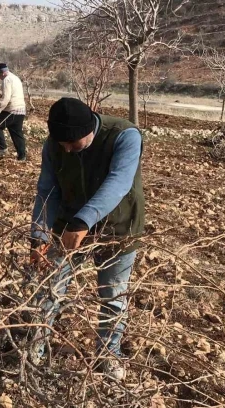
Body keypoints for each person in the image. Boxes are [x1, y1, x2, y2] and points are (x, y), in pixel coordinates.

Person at [30, 98, 145, 380]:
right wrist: (39, 235)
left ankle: (108, 355)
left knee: (113, 296)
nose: (67, 149)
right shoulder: (55, 145)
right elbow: (47, 189)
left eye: (73, 143)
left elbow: (119, 182)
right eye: (62, 144)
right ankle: (35, 347)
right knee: (50, 288)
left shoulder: (125, 137)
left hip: (117, 228)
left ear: (89, 131)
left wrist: (84, 220)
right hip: (68, 225)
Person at [0, 63, 27, 161]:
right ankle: (22, 156)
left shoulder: (6, 80)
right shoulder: (15, 78)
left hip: (12, 109)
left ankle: (3, 149)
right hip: (21, 110)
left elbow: (6, 98)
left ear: (1, 73)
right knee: (16, 133)